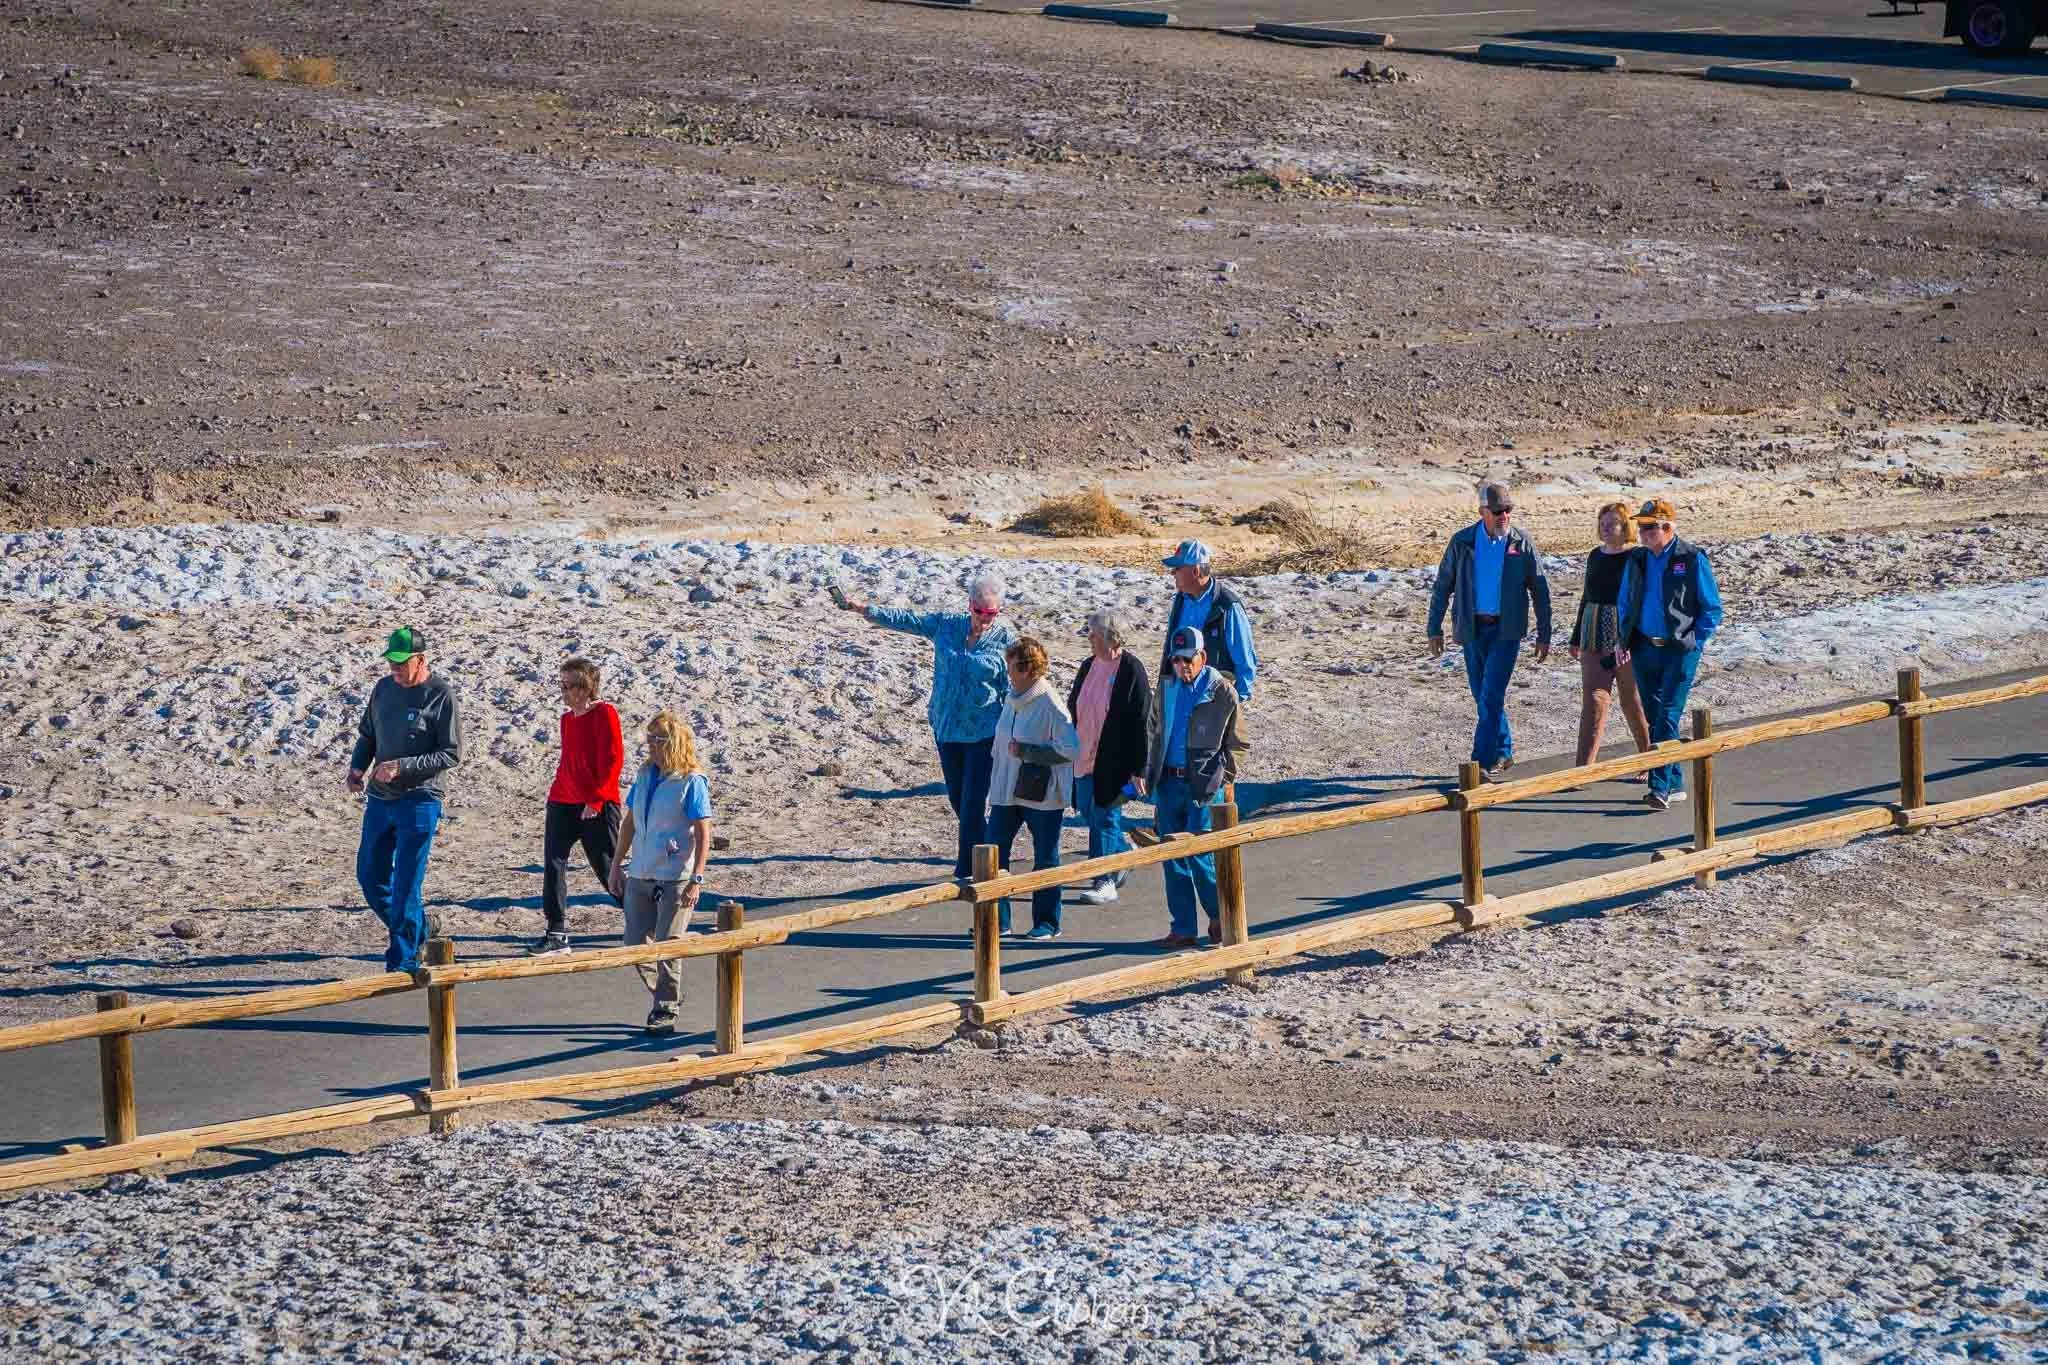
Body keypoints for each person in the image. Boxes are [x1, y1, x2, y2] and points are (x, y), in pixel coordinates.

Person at [834, 573, 1016, 879]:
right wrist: (864, 609)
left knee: (972, 804)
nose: (985, 619)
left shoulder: (1007, 640)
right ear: (970, 605)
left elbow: (1017, 686)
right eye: (980, 611)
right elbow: (909, 620)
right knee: (958, 801)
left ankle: (967, 871)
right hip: (946, 728)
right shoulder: (947, 625)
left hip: (984, 733)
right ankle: (991, 853)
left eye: (992, 613)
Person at [346, 626, 462, 973]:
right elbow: (368, 734)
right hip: (381, 799)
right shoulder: (383, 689)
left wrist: (403, 766)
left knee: (407, 883)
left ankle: (403, 960)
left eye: (401, 663)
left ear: (420, 660)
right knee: (370, 876)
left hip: (420, 800)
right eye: (391, 662)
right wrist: (357, 768)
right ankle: (420, 928)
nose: (394, 669)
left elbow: (451, 753)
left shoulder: (441, 695)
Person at [1426, 479, 1553, 781]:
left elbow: (1540, 589)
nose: (1504, 516)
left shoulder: (1521, 543)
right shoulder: (1463, 542)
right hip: (1472, 629)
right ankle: (1504, 749)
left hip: (1506, 631)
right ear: (1482, 511)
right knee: (1483, 695)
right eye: (1497, 511)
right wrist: (1434, 628)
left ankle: (1480, 762)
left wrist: (1544, 633)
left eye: (1508, 509)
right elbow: (1443, 585)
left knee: (1491, 694)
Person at [607, 711, 714, 1035]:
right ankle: (668, 993)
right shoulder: (644, 775)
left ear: (674, 742)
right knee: (635, 943)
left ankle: (665, 1010)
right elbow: (629, 822)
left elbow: (703, 833)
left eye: (657, 739)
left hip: (675, 875)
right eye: (649, 738)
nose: (650, 745)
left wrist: (696, 878)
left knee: (668, 945)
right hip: (641, 870)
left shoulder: (692, 781)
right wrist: (616, 864)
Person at [1616, 498, 1725, 812]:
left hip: (1679, 650)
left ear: (1667, 527)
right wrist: (1624, 637)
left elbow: (1712, 608)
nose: (1643, 533)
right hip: (1644, 646)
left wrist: (1694, 641)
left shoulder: (1690, 558)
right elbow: (1625, 600)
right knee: (1655, 716)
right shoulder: (1637, 559)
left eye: (1649, 527)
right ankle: (1675, 782)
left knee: (1667, 715)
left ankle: (1659, 786)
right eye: (1641, 527)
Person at [1144, 627, 1247, 949]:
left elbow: (1238, 744)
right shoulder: (1166, 688)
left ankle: (1220, 917)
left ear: (1202, 656)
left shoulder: (1222, 691)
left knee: (1201, 855)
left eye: (1188, 659)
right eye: (1176, 660)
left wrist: (1222, 778)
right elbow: (1152, 729)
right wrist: (1148, 769)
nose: (1182, 666)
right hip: (1168, 782)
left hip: (1203, 786)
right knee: (1172, 856)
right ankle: (1183, 928)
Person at [987, 637, 1081, 940]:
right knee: (993, 852)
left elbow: (1071, 749)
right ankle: (998, 921)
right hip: (1006, 789)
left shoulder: (1050, 703)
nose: (1007, 672)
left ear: (1028, 669)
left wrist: (1028, 752)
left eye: (1012, 666)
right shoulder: (1012, 697)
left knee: (1045, 856)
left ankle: (1048, 922)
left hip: (1042, 794)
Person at [530, 657, 625, 956]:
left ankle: (644, 916)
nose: (563, 691)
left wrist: (596, 800)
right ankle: (556, 932)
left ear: (585, 688)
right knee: (553, 864)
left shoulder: (605, 713)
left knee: (607, 867)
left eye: (568, 686)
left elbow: (614, 761)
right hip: (562, 801)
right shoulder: (566, 719)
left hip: (597, 804)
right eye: (561, 685)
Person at [1067, 611, 1154, 906]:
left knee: (1104, 817)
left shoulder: (1132, 669)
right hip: (1083, 754)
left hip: (1114, 761)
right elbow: (1074, 705)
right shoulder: (1088, 665)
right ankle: (1123, 853)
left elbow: (1143, 721)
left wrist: (1140, 768)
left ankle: (1104, 881)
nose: (1089, 638)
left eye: (1094, 633)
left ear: (1111, 637)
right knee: (1088, 812)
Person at [1568, 502, 1653, 773]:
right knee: (1594, 700)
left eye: (1612, 523)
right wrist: (1576, 637)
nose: (1605, 528)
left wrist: (1632, 637)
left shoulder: (1637, 556)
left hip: (1626, 634)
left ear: (1625, 526)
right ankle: (1583, 770)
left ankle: (1650, 761)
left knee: (1632, 700)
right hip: (1593, 631)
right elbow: (1586, 596)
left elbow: (1641, 598)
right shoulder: (1595, 555)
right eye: (1602, 523)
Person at [1159, 540, 1257, 704]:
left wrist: (1235, 703)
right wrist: (1164, 695)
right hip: (1179, 695)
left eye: (1177, 568)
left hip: (1213, 701)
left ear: (1196, 571)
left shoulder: (1227, 606)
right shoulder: (1180, 600)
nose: (1173, 573)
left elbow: (1245, 662)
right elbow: (1170, 650)